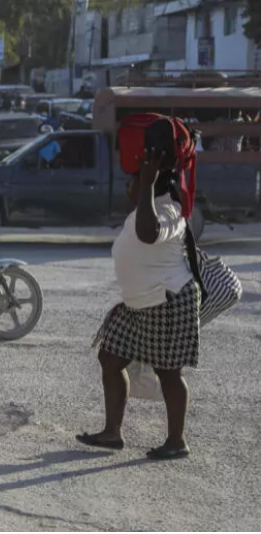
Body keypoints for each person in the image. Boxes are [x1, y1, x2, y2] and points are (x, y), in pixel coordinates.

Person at [77, 147, 199, 460]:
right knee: (111, 357)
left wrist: (146, 184)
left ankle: (176, 441)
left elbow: (148, 234)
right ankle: (112, 433)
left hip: (165, 299)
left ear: (152, 182)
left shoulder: (171, 210)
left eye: (133, 181)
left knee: (168, 371)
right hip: (135, 304)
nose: (128, 187)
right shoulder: (144, 208)